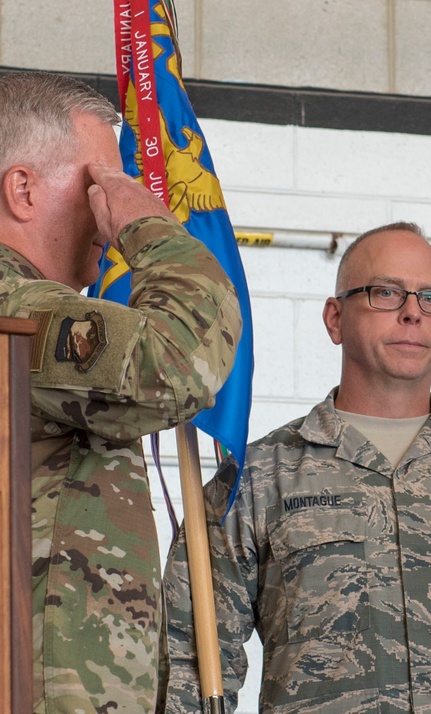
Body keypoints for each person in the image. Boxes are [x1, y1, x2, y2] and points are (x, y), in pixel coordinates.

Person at [163, 222, 431, 713]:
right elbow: (190, 662)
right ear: (335, 318)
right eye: (387, 293)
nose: (413, 313)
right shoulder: (261, 478)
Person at [0, 70, 242, 712]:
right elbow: (178, 361)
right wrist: (154, 230)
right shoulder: (15, 312)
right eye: (98, 183)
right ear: (21, 189)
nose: (112, 211)